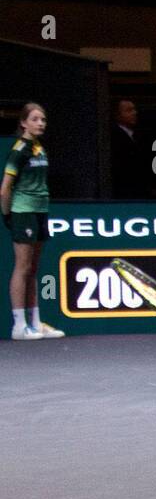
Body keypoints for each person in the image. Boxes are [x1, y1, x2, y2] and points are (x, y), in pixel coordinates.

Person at [3, 103, 65, 340]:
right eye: (35, 119)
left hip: (40, 210)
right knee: (22, 267)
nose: (41, 123)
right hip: (23, 211)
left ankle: (36, 323)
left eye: (43, 119)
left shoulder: (38, 147)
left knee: (33, 269)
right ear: (23, 123)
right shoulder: (19, 150)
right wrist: (8, 214)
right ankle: (19, 326)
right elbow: (5, 189)